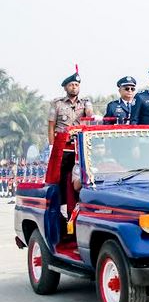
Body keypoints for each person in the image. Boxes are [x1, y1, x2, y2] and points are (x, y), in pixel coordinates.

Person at [48, 70, 98, 218]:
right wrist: (51, 146)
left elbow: (90, 114)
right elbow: (51, 126)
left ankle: (80, 204)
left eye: (76, 85)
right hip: (62, 146)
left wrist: (90, 110)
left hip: (79, 146)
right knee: (62, 176)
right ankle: (62, 205)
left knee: (81, 175)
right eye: (71, 85)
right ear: (65, 87)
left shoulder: (84, 102)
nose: (74, 87)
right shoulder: (57, 104)